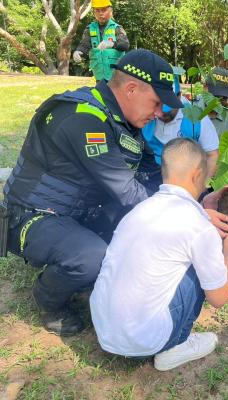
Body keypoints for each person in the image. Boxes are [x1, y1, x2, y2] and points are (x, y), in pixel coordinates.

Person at [1, 49, 185, 336]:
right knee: (93, 258)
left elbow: (152, 172)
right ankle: (48, 299)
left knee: (132, 239)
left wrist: (185, 199)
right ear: (131, 89)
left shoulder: (123, 120)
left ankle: (79, 255)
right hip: (34, 217)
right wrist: (182, 219)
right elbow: (127, 191)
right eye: (157, 102)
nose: (160, 112)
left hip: (80, 212)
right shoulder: (84, 118)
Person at [90, 138, 228, 371]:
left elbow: (181, 223)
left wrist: (203, 207)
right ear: (197, 175)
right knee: (200, 264)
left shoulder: (141, 209)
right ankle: (175, 346)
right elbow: (218, 299)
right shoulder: (198, 227)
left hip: (105, 330)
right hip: (143, 341)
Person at [138, 67, 219, 193]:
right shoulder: (145, 113)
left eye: (168, 110)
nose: (160, 114)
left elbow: (212, 155)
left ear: (179, 97)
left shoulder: (197, 119)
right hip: (151, 175)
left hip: (185, 179)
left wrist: (201, 189)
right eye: (157, 105)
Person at [72, 0, 129, 82]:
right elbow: (84, 45)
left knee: (114, 94)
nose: (100, 13)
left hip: (116, 76)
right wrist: (78, 51)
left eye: (103, 10)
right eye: (97, 10)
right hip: (99, 76)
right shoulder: (90, 29)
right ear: (94, 12)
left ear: (110, 11)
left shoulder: (117, 28)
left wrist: (112, 44)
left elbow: (125, 44)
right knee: (99, 94)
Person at [193, 67, 228, 138]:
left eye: (224, 98)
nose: (218, 102)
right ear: (205, 87)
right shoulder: (191, 105)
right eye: (216, 96)